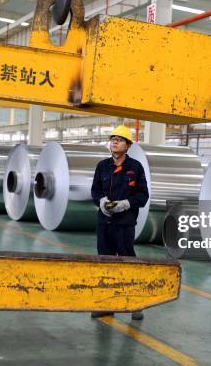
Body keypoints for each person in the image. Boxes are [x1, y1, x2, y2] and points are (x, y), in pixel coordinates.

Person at [90, 125, 149, 320]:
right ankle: (107, 304)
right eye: (113, 138)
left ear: (128, 145)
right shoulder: (102, 166)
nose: (114, 141)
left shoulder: (135, 168)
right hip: (104, 223)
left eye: (120, 139)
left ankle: (135, 303)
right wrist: (101, 202)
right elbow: (95, 190)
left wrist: (126, 204)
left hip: (124, 224)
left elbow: (143, 196)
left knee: (128, 262)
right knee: (105, 262)